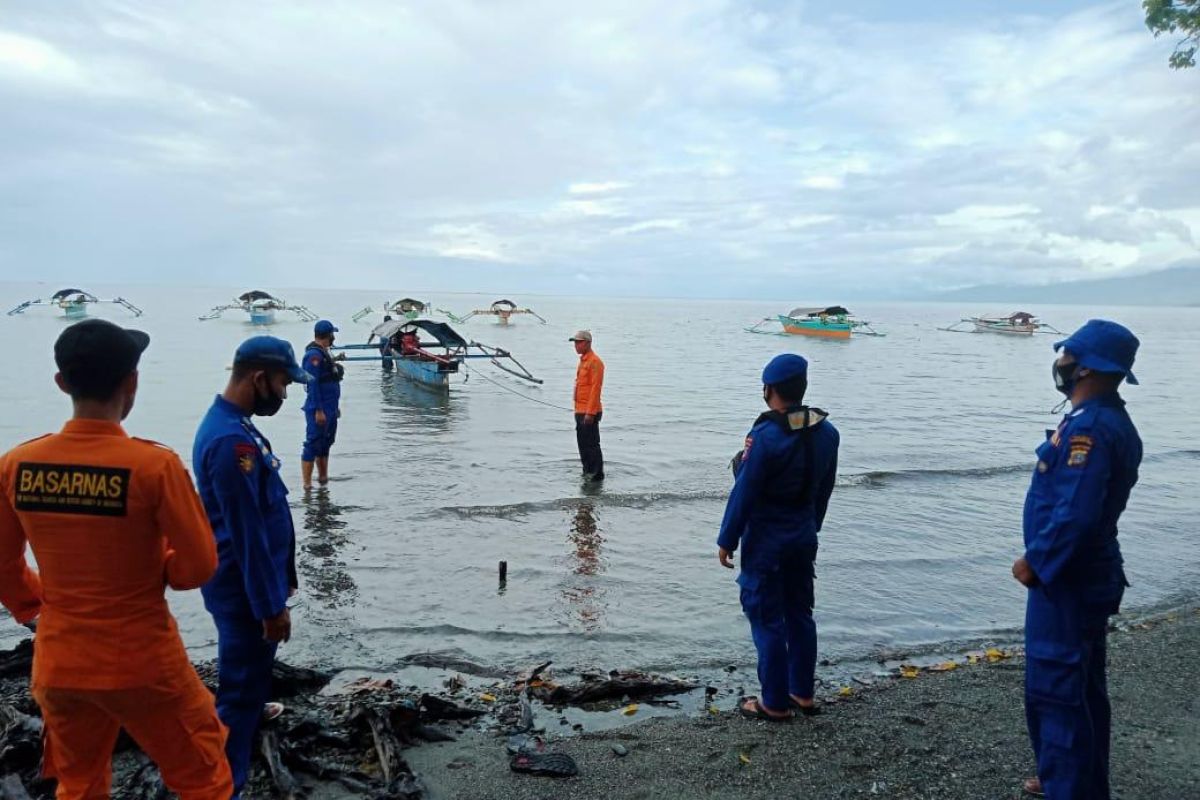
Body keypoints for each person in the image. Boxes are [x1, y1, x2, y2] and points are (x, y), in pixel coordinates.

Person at [0, 319, 232, 800]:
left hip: (60, 660)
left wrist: (36, 608)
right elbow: (199, 566)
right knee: (203, 776)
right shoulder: (154, 466)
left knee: (78, 784)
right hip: (143, 660)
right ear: (132, 382)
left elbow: (3, 564)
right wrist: (160, 566)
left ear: (62, 383)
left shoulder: (17, 464)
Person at [1012, 320, 1142, 800]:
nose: (1060, 362)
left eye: (1066, 354)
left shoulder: (1092, 427)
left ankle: (1067, 786)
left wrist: (1037, 562)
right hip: (1083, 575)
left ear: (1085, 366)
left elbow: (1077, 512)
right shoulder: (1101, 418)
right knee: (1082, 689)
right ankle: (1073, 781)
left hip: (1068, 578)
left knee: (1058, 691)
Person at [193, 336, 306, 797]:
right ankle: (225, 787)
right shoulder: (229, 442)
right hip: (244, 593)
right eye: (282, 383)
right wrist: (269, 606)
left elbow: (263, 514)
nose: (284, 393)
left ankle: (248, 723)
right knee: (238, 697)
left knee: (249, 687)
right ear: (259, 378)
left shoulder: (235, 425)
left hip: (250, 588)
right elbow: (246, 535)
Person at [717, 354, 839, 721]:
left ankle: (773, 702)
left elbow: (745, 492)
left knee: (766, 617)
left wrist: (727, 538)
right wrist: (812, 526)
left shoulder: (765, 436)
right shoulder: (828, 433)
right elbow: (824, 489)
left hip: (768, 539)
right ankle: (802, 692)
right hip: (803, 535)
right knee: (800, 613)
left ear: (769, 390)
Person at [301, 319, 345, 489]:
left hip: (330, 405)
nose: (334, 337)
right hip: (319, 407)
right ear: (328, 335)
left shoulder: (324, 353)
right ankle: (307, 485)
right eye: (332, 334)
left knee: (326, 442)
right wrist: (319, 410)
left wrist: (335, 407)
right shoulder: (314, 355)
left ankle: (323, 478)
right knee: (313, 442)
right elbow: (312, 384)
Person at [570, 330, 605, 481]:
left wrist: (590, 413)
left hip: (589, 412)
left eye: (579, 342)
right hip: (580, 410)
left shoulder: (595, 362)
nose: (576, 345)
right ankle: (587, 471)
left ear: (588, 343)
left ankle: (596, 474)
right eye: (575, 342)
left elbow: (595, 389)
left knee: (591, 445)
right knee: (582, 446)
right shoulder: (583, 360)